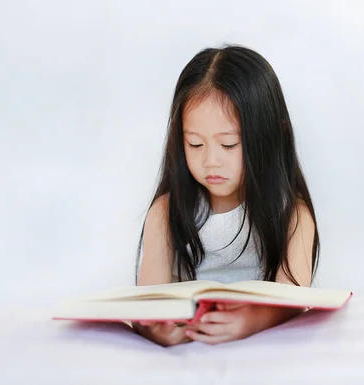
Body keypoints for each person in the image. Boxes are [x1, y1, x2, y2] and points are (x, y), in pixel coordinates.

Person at [132, 44, 319, 347]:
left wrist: (252, 319)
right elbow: (145, 302)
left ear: (271, 138)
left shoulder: (292, 215)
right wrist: (156, 329)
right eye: (195, 144)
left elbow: (295, 299)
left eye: (229, 145)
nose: (210, 162)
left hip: (262, 356)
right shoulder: (166, 213)